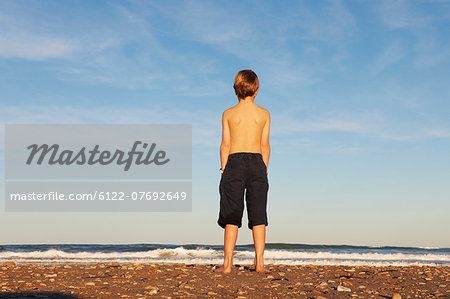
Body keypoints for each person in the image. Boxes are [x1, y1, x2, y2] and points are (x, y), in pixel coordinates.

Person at [215, 69, 270, 273]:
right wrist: (264, 169)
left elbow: (225, 145)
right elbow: (265, 145)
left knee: (231, 215)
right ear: (256, 90)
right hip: (257, 162)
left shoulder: (228, 114)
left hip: (234, 162)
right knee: (258, 215)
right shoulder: (264, 114)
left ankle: (228, 264)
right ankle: (260, 264)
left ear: (235, 90)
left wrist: (223, 170)